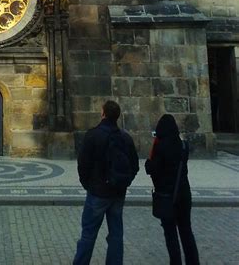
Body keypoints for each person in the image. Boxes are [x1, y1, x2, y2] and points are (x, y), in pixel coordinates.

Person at [73, 100, 139, 265]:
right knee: (116, 234)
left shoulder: (93, 135)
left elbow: (83, 164)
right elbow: (135, 165)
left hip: (97, 192)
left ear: (103, 114)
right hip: (118, 193)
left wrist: (88, 184)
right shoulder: (125, 137)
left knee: (88, 234)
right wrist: (124, 182)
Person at [145, 115, 200, 265]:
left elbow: (152, 169)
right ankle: (193, 261)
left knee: (171, 234)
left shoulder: (161, 146)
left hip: (167, 196)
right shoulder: (184, 146)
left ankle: (175, 262)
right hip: (184, 194)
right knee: (186, 231)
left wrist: (149, 161)